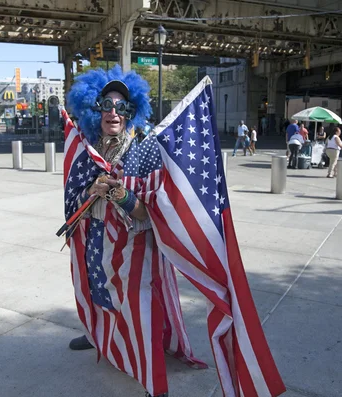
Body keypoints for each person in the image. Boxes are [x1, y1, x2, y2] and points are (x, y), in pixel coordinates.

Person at [64, 66, 205, 397]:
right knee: (96, 291)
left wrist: (118, 193)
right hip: (94, 236)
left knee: (139, 308)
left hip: (133, 245)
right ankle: (97, 332)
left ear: (132, 111)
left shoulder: (145, 149)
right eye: (106, 104)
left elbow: (149, 212)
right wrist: (92, 190)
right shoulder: (86, 150)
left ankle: (152, 375)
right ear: (94, 108)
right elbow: (74, 197)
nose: (114, 112)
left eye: (122, 106)